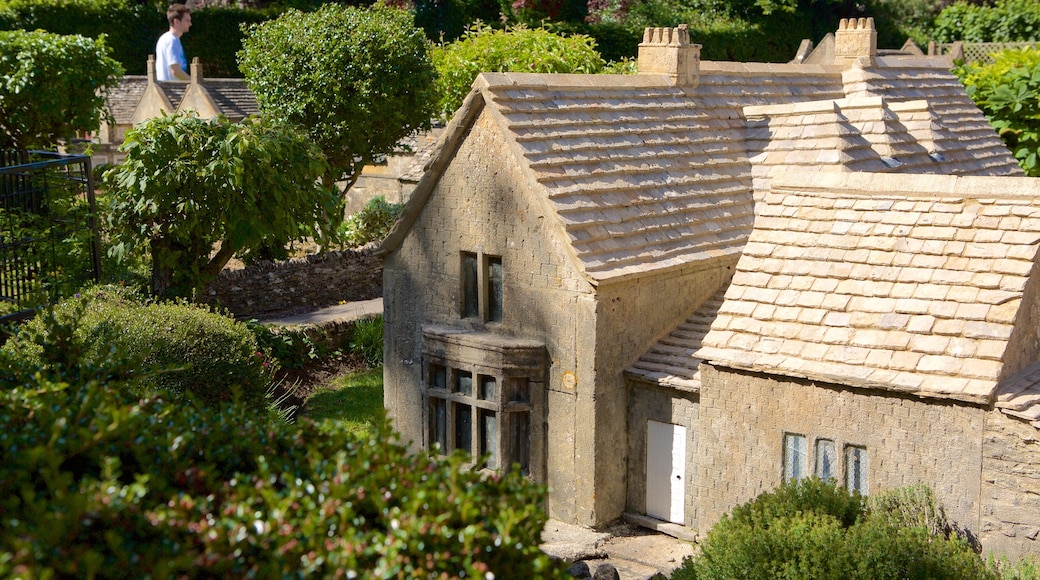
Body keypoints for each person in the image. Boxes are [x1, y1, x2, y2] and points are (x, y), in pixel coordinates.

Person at [156, 4, 191, 81]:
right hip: (173, 90)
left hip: (164, 89)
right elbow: (175, 71)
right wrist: (194, 83)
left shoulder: (164, 38)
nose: (190, 24)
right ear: (176, 22)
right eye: (187, 21)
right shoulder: (172, 41)